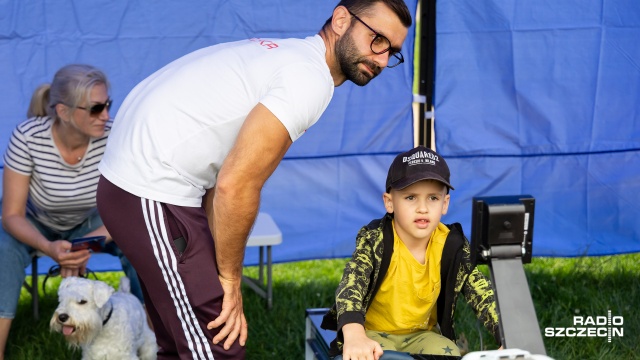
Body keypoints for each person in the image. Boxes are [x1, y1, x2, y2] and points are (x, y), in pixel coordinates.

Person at [95, 0, 412, 358]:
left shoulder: (291, 57)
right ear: (341, 20)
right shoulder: (309, 78)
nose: (383, 60)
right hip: (149, 188)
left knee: (179, 340)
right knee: (218, 347)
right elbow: (237, 184)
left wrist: (216, 267)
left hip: (139, 185)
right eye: (377, 40)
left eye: (393, 52)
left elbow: (222, 176)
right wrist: (229, 280)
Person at [0, 64, 144, 360]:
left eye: (107, 105)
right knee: (3, 251)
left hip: (94, 222)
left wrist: (84, 244)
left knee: (144, 241)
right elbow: (11, 214)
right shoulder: (28, 137)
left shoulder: (115, 135)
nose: (105, 115)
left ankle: (155, 337)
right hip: (35, 223)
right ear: (64, 112)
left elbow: (133, 208)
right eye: (95, 108)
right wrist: (49, 247)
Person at [320, 145, 501, 360]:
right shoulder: (375, 240)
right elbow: (352, 284)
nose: (422, 208)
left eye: (432, 198)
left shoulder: (452, 245)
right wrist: (354, 334)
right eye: (410, 197)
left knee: (450, 353)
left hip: (422, 335)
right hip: (372, 333)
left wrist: (508, 336)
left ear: (445, 204)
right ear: (389, 202)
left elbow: (481, 293)